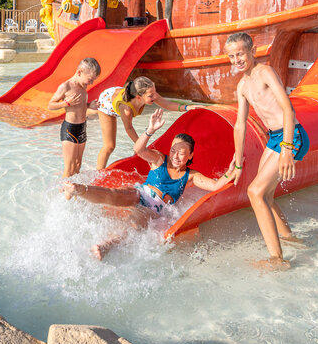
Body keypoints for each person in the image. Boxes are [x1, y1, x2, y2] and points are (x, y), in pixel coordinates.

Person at [62, 108, 230, 260]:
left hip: (153, 209)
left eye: (181, 153)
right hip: (140, 193)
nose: (175, 156)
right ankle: (80, 189)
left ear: (190, 155)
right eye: (173, 151)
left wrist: (234, 169)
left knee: (134, 222)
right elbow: (139, 150)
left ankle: (106, 245)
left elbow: (216, 186)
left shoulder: (191, 176)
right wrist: (150, 130)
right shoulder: (159, 159)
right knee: (114, 194)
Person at [224, 32, 309, 269]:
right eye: (231, 56)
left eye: (240, 53)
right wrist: (238, 161)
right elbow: (240, 125)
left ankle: (277, 259)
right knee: (266, 195)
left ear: (252, 51)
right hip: (273, 137)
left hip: (291, 136)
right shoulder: (242, 85)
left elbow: (288, 109)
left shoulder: (265, 73)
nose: (236, 59)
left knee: (255, 192)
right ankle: (290, 238)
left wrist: (287, 150)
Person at [93, 76, 194, 170]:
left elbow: (166, 103)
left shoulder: (149, 93)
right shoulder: (126, 110)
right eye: (151, 95)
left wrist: (186, 108)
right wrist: (142, 146)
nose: (155, 96)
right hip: (106, 104)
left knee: (138, 145)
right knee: (109, 146)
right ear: (138, 97)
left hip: (120, 93)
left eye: (155, 92)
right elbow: (129, 128)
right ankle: (98, 173)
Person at [47, 57, 102, 177]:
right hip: (70, 129)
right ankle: (63, 194)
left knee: (77, 165)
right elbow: (50, 105)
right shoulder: (66, 86)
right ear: (79, 73)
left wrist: (89, 105)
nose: (91, 83)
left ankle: (74, 194)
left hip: (82, 127)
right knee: (69, 167)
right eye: (90, 80)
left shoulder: (83, 86)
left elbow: (79, 105)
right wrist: (66, 103)